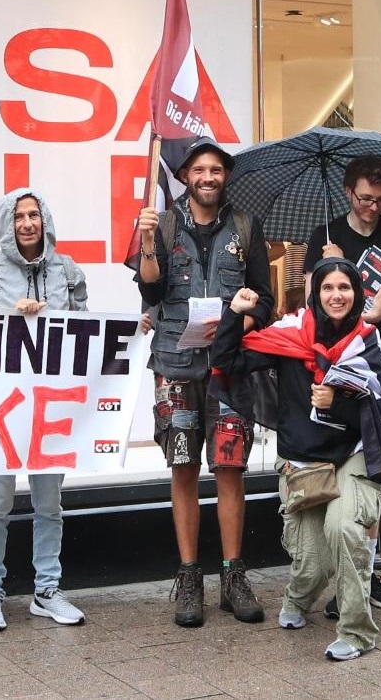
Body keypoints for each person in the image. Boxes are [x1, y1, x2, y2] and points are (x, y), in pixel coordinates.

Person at [220, 259, 381, 660]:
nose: (337, 295)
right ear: (316, 294)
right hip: (303, 460)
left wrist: (338, 403)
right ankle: (298, 598)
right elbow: (227, 362)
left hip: (352, 454)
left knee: (344, 530)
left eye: (345, 288)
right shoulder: (289, 335)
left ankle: (356, 632)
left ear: (357, 294)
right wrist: (234, 313)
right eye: (328, 288)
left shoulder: (367, 341)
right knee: (312, 565)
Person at [133, 140, 275, 627]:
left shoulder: (246, 227)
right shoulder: (164, 223)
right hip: (175, 365)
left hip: (230, 369)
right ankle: (190, 577)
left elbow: (266, 302)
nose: (208, 177)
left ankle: (234, 577)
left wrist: (238, 322)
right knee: (183, 467)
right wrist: (147, 241)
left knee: (231, 468)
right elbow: (151, 287)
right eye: (199, 169)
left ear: (225, 175)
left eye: (216, 169)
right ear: (185, 177)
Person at [0, 189, 89, 632]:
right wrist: (12, 316)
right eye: (18, 217)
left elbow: (85, 329)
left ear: (45, 219)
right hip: (2, 405)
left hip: (50, 406)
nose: (28, 223)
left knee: (49, 504)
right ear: (6, 223)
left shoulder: (68, 271)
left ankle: (46, 591)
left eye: (34, 215)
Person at [303, 154, 381, 612]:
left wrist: (344, 265)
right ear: (349, 191)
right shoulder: (324, 235)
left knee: (376, 463)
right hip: (334, 359)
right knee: (337, 462)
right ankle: (336, 576)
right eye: (365, 198)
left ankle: (366, 578)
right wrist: (328, 265)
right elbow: (313, 301)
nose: (372, 208)